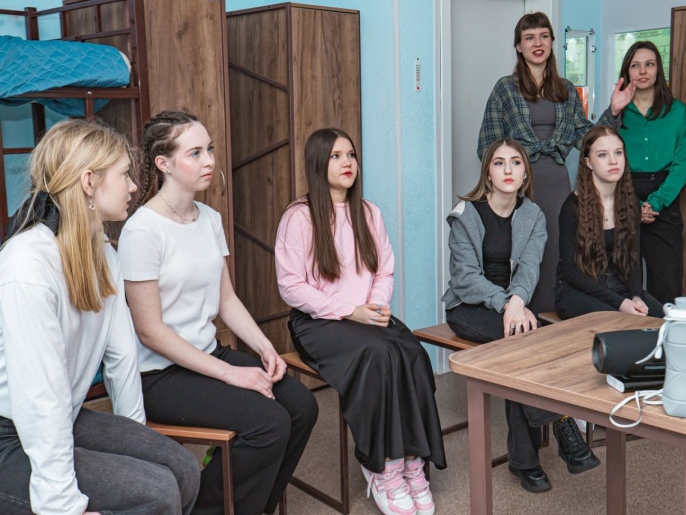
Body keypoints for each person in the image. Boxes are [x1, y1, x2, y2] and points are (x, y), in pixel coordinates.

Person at [118, 111, 318, 515]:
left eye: (209, 149)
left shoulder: (210, 219)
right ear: (164, 163)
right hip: (160, 374)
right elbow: (150, 331)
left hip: (208, 354)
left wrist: (265, 349)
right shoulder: (142, 231)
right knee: (269, 424)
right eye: (195, 153)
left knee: (302, 407)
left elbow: (226, 299)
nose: (209, 160)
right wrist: (232, 373)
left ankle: (253, 506)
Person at [0, 119, 200, 515]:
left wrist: (135, 439)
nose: (133, 186)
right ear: (89, 181)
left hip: (64, 416)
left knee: (183, 467)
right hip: (10, 433)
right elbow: (40, 399)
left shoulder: (104, 254)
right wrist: (62, 505)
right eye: (125, 174)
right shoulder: (26, 265)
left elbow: (122, 358)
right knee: (156, 493)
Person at [275, 128, 445, 515]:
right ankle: (382, 465)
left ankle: (412, 462)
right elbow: (291, 287)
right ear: (318, 163)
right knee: (379, 355)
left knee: (412, 353)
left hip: (366, 315)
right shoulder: (298, 217)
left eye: (350, 154)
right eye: (336, 156)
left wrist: (375, 306)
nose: (347, 162)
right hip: (317, 322)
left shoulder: (368, 212)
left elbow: (384, 270)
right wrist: (350, 312)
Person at [443, 138, 600, 493]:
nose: (508, 170)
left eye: (515, 162)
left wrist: (516, 301)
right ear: (488, 173)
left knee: (524, 350)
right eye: (499, 163)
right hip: (468, 307)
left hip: (514, 307)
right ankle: (563, 426)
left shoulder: (533, 215)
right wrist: (507, 304)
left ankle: (525, 460)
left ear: (525, 173)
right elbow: (465, 279)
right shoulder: (466, 214)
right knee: (520, 342)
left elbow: (529, 268)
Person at [478, 11, 594, 313]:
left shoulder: (566, 89)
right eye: (529, 38)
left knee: (556, 252)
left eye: (543, 36)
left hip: (557, 186)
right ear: (519, 46)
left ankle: (553, 324)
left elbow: (587, 138)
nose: (537, 43)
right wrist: (504, 180)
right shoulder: (505, 88)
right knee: (521, 254)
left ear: (553, 42)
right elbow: (488, 146)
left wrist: (614, 113)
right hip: (518, 188)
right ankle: (517, 319)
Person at [599, 40, 686, 303]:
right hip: (622, 194)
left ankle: (663, 329)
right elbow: (595, 150)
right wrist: (634, 204)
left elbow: (682, 163)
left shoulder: (677, 111)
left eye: (649, 64)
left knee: (667, 283)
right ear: (626, 71)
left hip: (665, 198)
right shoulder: (618, 111)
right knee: (621, 284)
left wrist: (656, 202)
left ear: (658, 69)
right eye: (635, 65)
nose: (642, 71)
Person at [556, 125, 665, 320]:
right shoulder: (571, 207)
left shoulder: (630, 202)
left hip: (618, 286)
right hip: (578, 290)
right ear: (589, 162)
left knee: (665, 319)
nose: (613, 161)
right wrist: (621, 303)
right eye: (602, 155)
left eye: (618, 152)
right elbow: (571, 271)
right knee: (617, 320)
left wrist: (636, 296)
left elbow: (633, 258)